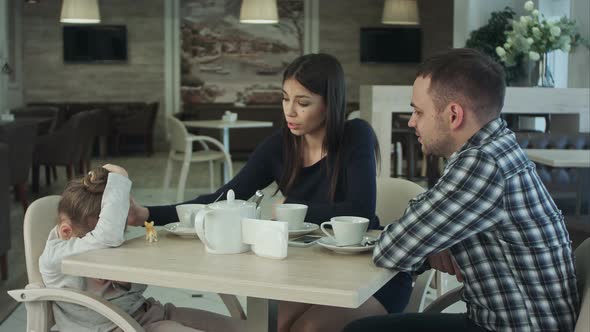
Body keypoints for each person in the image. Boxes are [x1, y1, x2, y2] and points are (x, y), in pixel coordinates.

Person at [127, 53, 413, 331]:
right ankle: (165, 320)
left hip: (372, 272)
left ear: (330, 104)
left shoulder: (356, 134)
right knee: (268, 325)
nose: (290, 110)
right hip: (313, 268)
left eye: (303, 102)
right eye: (285, 98)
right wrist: (148, 214)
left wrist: (289, 211)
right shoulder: (280, 145)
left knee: (309, 328)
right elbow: (222, 198)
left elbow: (361, 210)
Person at [343, 48, 579, 332]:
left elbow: (392, 249)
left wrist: (429, 239)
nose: (411, 122)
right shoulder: (496, 146)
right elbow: (425, 211)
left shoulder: (483, 164)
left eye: (419, 111)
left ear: (453, 114)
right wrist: (437, 239)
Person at [39, 164, 244, 332]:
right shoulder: (55, 257)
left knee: (245, 328)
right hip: (116, 326)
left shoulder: (94, 240)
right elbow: (107, 236)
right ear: (66, 232)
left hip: (147, 313)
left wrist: (124, 283)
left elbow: (132, 289)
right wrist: (119, 177)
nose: (116, 240)